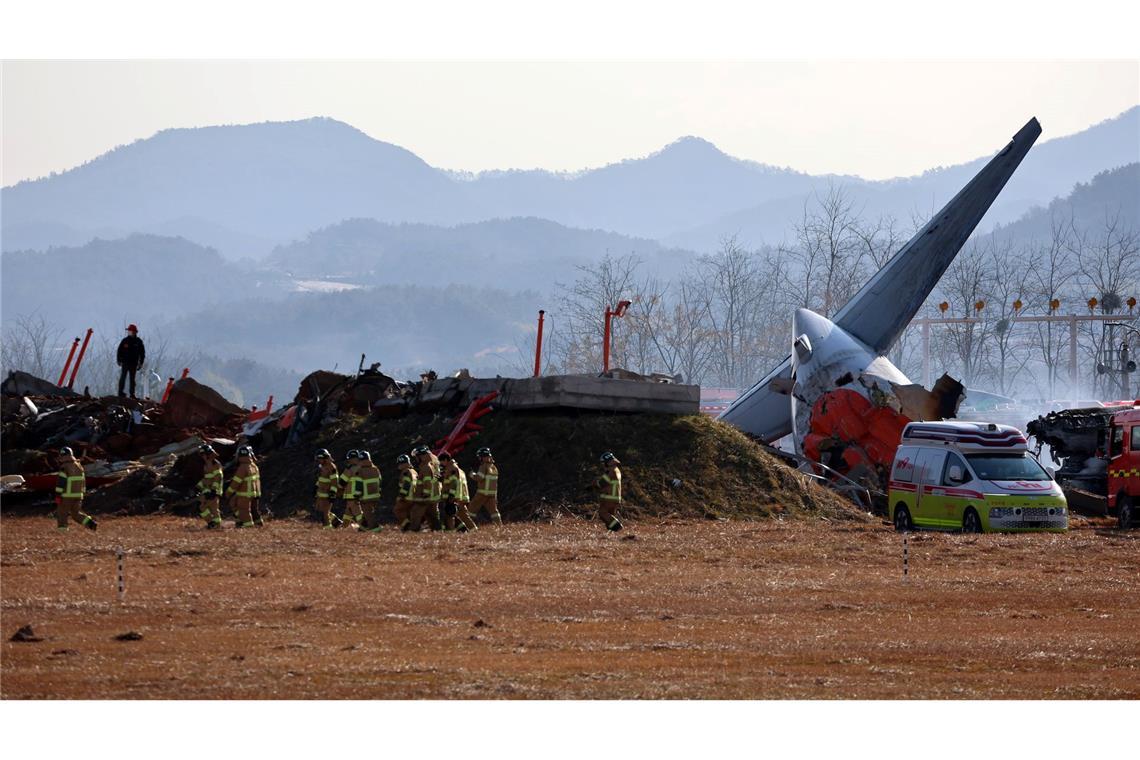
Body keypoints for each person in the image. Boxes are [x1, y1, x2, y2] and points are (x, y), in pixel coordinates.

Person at [54, 447, 97, 531]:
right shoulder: (79, 466)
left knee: (62, 513)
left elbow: (61, 483)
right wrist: (83, 493)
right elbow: (83, 481)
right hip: (78, 495)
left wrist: (58, 495)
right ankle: (91, 524)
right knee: (76, 514)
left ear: (63, 455)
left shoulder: (64, 467)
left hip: (67, 495)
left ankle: (62, 532)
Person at [440, 451, 477, 532]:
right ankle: (471, 531)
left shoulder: (452, 469)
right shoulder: (457, 469)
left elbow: (453, 483)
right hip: (460, 496)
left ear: (445, 460)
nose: (441, 464)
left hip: (455, 497)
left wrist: (451, 495)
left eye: (442, 462)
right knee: (462, 516)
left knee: (453, 516)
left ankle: (452, 532)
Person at [409, 445, 442, 531]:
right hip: (433, 496)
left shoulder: (426, 467)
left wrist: (425, 494)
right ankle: (438, 531)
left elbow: (427, 482)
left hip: (424, 497)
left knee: (415, 513)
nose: (416, 459)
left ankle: (413, 531)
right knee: (432, 516)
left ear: (422, 456)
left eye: (417, 457)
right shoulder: (433, 465)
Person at [468, 447, 502, 526]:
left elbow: (479, 478)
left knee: (471, 509)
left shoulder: (483, 466)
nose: (479, 458)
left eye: (480, 457)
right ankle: (500, 526)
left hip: (482, 493)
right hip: (492, 494)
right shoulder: (494, 467)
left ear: (482, 457)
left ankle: (467, 526)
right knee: (494, 512)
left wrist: (472, 474)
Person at [226, 446, 257, 528]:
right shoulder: (252, 466)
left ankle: (248, 526)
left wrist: (228, 492)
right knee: (233, 503)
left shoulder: (242, 468)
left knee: (243, 510)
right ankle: (240, 521)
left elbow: (236, 482)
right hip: (250, 492)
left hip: (244, 493)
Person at [196, 444, 224, 529]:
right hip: (208, 489)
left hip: (214, 491)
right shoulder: (206, 465)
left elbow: (218, 477)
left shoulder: (215, 464)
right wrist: (198, 486)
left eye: (204, 454)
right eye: (202, 455)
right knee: (211, 508)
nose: (203, 457)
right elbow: (206, 478)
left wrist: (214, 490)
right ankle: (214, 524)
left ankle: (214, 524)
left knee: (205, 507)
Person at [596, 451, 624, 531]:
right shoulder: (616, 469)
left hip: (610, 497)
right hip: (615, 497)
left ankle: (618, 528)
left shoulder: (611, 471)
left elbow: (602, 482)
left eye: (603, 463)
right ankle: (613, 532)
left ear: (607, 462)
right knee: (609, 517)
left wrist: (592, 486)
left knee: (602, 513)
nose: (603, 465)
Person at [116, 324, 146, 399]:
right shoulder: (125, 341)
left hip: (134, 363)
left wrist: (141, 363)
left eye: (130, 331)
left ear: (135, 332)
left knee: (132, 379)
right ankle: (120, 392)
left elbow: (142, 353)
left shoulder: (138, 342)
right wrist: (119, 360)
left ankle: (132, 394)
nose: (129, 332)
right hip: (125, 363)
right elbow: (119, 351)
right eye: (129, 331)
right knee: (123, 378)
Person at [356, 450, 383, 533]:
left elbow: (359, 485)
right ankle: (362, 529)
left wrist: (356, 495)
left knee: (369, 515)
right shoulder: (375, 469)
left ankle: (376, 531)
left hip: (365, 498)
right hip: (375, 496)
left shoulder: (360, 471)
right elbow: (380, 481)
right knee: (368, 514)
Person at [313, 449, 341, 529]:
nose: (318, 460)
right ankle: (337, 522)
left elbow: (334, 482)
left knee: (325, 514)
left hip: (328, 494)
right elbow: (321, 479)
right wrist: (316, 486)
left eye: (319, 458)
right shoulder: (322, 467)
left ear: (325, 457)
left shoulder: (331, 467)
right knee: (321, 510)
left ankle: (328, 530)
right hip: (321, 493)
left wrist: (332, 493)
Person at [393, 454, 418, 531]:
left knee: (397, 510)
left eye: (400, 463)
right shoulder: (414, 472)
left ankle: (406, 525)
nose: (399, 465)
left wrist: (402, 496)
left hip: (407, 497)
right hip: (414, 497)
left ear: (404, 463)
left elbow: (406, 485)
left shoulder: (406, 472)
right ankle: (410, 528)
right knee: (407, 513)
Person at [339, 450, 363, 526]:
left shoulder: (350, 468)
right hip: (359, 494)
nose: (348, 460)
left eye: (349, 458)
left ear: (353, 458)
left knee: (357, 512)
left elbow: (342, 482)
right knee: (348, 512)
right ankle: (344, 527)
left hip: (352, 495)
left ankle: (365, 527)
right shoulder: (362, 467)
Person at [248, 448, 265, 526]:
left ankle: (252, 523)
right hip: (256, 491)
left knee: (251, 509)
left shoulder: (250, 467)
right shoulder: (254, 466)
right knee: (254, 509)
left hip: (250, 491)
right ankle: (259, 523)